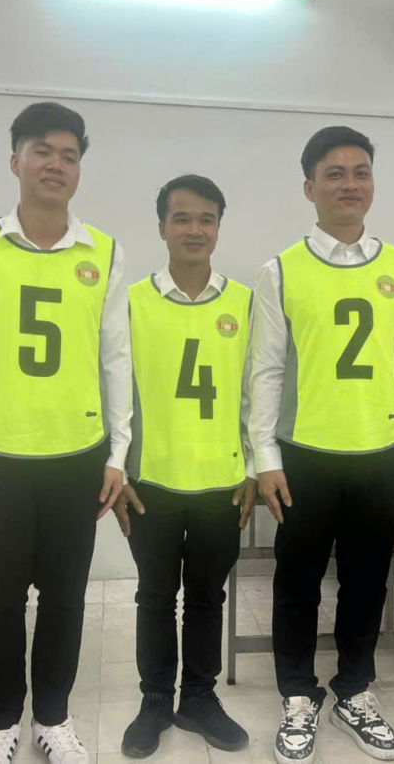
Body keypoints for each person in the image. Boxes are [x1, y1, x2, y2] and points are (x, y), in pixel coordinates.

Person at [0, 102, 131, 764]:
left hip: (77, 456)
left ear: (80, 169)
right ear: (15, 159)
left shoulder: (104, 252)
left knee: (66, 597)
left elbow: (116, 358)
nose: (55, 164)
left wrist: (119, 451)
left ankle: (54, 716)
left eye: (69, 155)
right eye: (42, 150)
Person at [249, 126, 394, 763]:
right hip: (304, 455)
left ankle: (355, 688)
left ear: (372, 183)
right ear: (310, 188)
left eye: (361, 172)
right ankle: (298, 695)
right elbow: (266, 371)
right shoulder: (281, 270)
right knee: (297, 582)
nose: (350, 184)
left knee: (367, 581)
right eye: (335, 173)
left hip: (379, 453)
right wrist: (265, 457)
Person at [112, 174, 257, 758]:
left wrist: (254, 468)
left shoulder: (245, 302)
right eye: (182, 218)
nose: (194, 229)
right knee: (154, 595)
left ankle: (199, 696)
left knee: (207, 597)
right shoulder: (131, 302)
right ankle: (154, 701)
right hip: (151, 481)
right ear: (161, 228)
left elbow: (257, 394)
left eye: (206, 219)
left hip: (223, 483)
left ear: (219, 227)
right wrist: (117, 470)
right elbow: (114, 393)